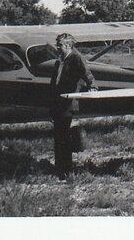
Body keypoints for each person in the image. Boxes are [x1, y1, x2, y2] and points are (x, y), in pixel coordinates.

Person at [51, 32, 97, 179]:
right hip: (58, 103)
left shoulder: (76, 58)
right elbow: (54, 82)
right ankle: (60, 169)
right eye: (57, 45)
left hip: (68, 103)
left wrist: (93, 87)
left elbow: (87, 74)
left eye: (59, 45)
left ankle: (66, 171)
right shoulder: (59, 61)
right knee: (58, 137)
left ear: (67, 45)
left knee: (64, 137)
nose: (57, 47)